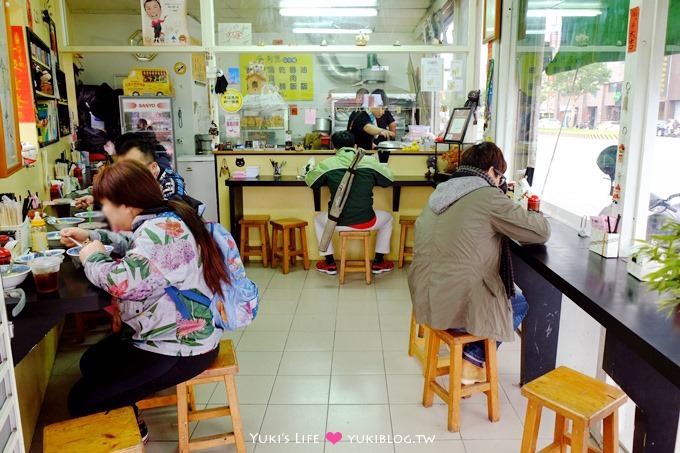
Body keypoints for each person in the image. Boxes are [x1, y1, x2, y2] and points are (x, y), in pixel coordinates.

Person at [60, 160, 228, 440]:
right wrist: (92, 236)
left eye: (105, 206)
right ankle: (126, 405)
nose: (104, 212)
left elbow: (121, 284)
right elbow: (132, 244)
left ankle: (134, 432)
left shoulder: (159, 232)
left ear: (126, 205)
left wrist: (92, 255)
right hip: (166, 334)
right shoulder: (164, 218)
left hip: (179, 348)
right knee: (93, 361)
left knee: (82, 400)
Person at [408, 142, 550, 384]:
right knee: (518, 302)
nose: (500, 182)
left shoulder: (442, 189)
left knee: (496, 287)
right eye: (500, 176)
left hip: (423, 290)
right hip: (455, 296)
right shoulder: (487, 196)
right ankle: (472, 361)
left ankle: (469, 354)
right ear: (492, 171)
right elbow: (539, 232)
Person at [305, 130, 395, 275]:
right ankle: (379, 262)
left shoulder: (327, 164)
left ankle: (329, 263)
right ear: (354, 145)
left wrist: (310, 169)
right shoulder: (369, 161)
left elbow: (311, 182)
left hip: (336, 222)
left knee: (318, 220)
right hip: (366, 221)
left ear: (334, 148)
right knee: (388, 218)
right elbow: (388, 180)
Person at [74, 133, 200, 214]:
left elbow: (168, 213)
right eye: (124, 167)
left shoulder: (171, 184)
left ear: (153, 167)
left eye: (134, 167)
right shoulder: (135, 179)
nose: (128, 174)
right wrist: (96, 201)